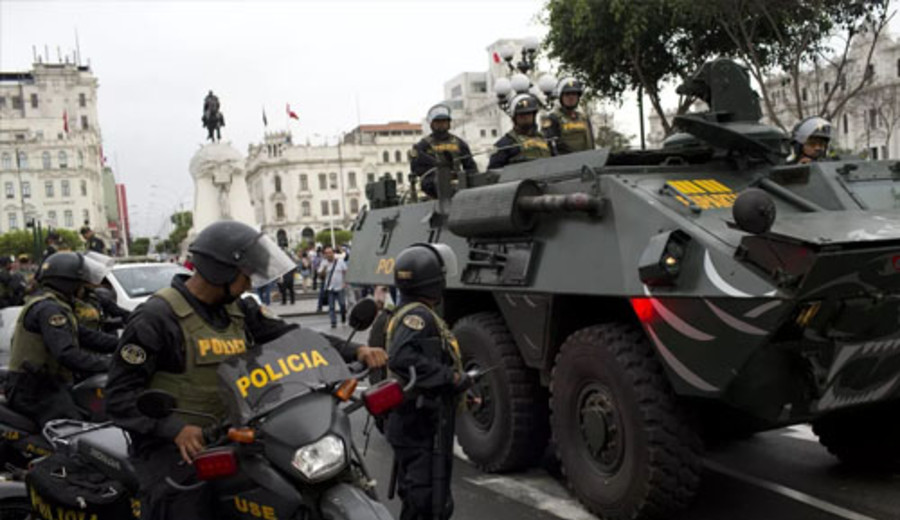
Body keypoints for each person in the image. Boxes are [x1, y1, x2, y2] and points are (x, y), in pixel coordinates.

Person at [104, 220, 387, 520]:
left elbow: (290, 335)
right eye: (245, 275)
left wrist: (356, 350)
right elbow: (119, 397)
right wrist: (174, 430)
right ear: (220, 271)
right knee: (184, 507)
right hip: (176, 449)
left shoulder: (239, 310)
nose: (250, 284)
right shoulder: (157, 318)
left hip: (237, 434)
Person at [385, 243, 467, 520]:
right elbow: (401, 357)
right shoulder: (417, 316)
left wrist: (456, 386)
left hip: (417, 419)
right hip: (416, 422)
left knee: (431, 499)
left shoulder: (411, 310)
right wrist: (450, 377)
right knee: (426, 502)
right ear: (434, 281)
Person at [5, 252, 118, 427]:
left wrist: (126, 344)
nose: (84, 289)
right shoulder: (50, 309)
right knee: (75, 434)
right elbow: (67, 354)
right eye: (80, 284)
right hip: (33, 390)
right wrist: (111, 364)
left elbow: (86, 336)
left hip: (45, 384)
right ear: (69, 284)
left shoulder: (57, 305)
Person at [410, 104, 478, 198]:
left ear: (449, 123)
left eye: (444, 121)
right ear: (432, 124)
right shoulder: (423, 145)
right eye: (437, 122)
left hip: (458, 182)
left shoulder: (459, 143)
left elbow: (471, 167)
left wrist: (466, 178)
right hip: (433, 184)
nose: (441, 124)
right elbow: (416, 168)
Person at [488, 94, 553, 169]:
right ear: (514, 118)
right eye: (521, 115)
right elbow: (493, 174)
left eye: (528, 113)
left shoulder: (546, 139)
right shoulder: (505, 144)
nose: (526, 117)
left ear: (533, 115)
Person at [542, 77, 595, 155]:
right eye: (567, 94)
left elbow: (591, 143)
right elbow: (550, 147)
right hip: (565, 164)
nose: (571, 97)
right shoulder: (553, 118)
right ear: (561, 97)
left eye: (574, 94)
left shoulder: (584, 118)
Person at [317, 245, 347, 328]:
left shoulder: (340, 261)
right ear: (324, 255)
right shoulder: (323, 263)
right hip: (330, 288)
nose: (329, 255)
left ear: (333, 253)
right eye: (326, 253)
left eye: (330, 252)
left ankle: (343, 316)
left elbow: (345, 272)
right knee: (331, 307)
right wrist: (324, 269)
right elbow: (320, 276)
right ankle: (333, 322)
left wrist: (345, 282)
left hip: (340, 287)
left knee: (342, 304)